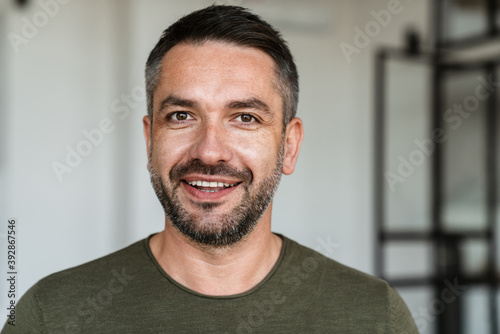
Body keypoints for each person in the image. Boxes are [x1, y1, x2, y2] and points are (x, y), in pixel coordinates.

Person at [2, 5, 418, 333]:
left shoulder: (374, 316)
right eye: (182, 116)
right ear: (150, 141)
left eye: (245, 118)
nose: (210, 151)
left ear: (289, 147)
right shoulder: (49, 315)